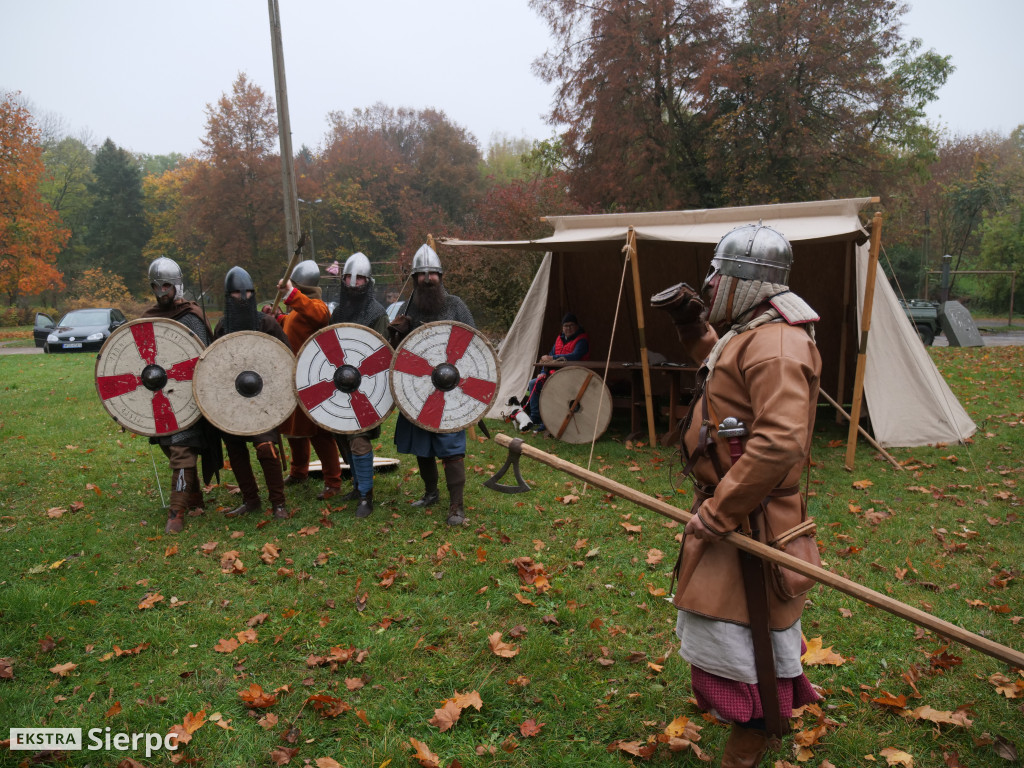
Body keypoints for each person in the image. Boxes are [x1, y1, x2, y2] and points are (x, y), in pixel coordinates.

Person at [651, 223, 821, 766]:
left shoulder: (776, 342)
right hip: (735, 512)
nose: (710, 282)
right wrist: (690, 323)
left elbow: (778, 442)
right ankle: (748, 722)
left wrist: (720, 512)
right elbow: (720, 366)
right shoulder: (754, 329)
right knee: (728, 633)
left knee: (746, 643)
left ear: (746, 280)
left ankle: (751, 739)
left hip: (753, 517)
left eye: (718, 274)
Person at [388, 243, 474, 526]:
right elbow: (400, 358)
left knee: (451, 447)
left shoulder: (455, 306)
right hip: (418, 389)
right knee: (421, 444)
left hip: (451, 388)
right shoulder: (407, 307)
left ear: (441, 276)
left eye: (432, 274)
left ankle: (457, 505)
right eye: (421, 274)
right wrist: (395, 336)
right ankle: (430, 493)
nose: (427, 278)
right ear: (414, 279)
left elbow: (474, 348)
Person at [141, 257, 222, 533]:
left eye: (166, 285)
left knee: (181, 448)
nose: (162, 292)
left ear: (177, 285)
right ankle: (195, 496)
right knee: (169, 447)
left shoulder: (191, 316)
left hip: (188, 396)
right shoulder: (149, 317)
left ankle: (176, 512)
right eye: (156, 286)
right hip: (161, 395)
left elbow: (205, 357)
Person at [215, 266, 292, 519]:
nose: (243, 297)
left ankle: (278, 503)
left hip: (264, 397)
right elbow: (214, 364)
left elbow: (285, 359)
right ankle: (251, 500)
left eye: (247, 292)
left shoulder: (266, 323)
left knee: (265, 447)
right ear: (228, 296)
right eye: (237, 293)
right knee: (235, 448)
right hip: (232, 398)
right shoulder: (223, 326)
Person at [266, 260, 344, 502]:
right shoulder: (296, 310)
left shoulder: (316, 306)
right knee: (293, 429)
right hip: (291, 374)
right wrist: (276, 318)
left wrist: (291, 294)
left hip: (313, 378)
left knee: (318, 432)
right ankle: (299, 472)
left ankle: (333, 481)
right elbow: (291, 326)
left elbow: (319, 316)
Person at [329, 252, 390, 518]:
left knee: (358, 438)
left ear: (369, 281)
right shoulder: (339, 312)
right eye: (349, 279)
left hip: (367, 385)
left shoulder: (376, 313)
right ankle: (356, 484)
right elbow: (328, 346)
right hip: (339, 382)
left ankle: (366, 495)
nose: (354, 284)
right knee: (341, 433)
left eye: (360, 279)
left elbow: (381, 354)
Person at [523, 313, 590, 433]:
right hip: (555, 375)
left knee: (551, 388)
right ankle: (535, 417)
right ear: (562, 327)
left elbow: (575, 356)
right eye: (566, 326)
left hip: (574, 375)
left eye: (571, 325)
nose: (568, 328)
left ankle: (548, 422)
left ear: (576, 326)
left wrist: (552, 357)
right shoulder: (559, 339)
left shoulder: (582, 340)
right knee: (534, 383)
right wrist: (543, 371)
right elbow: (549, 357)